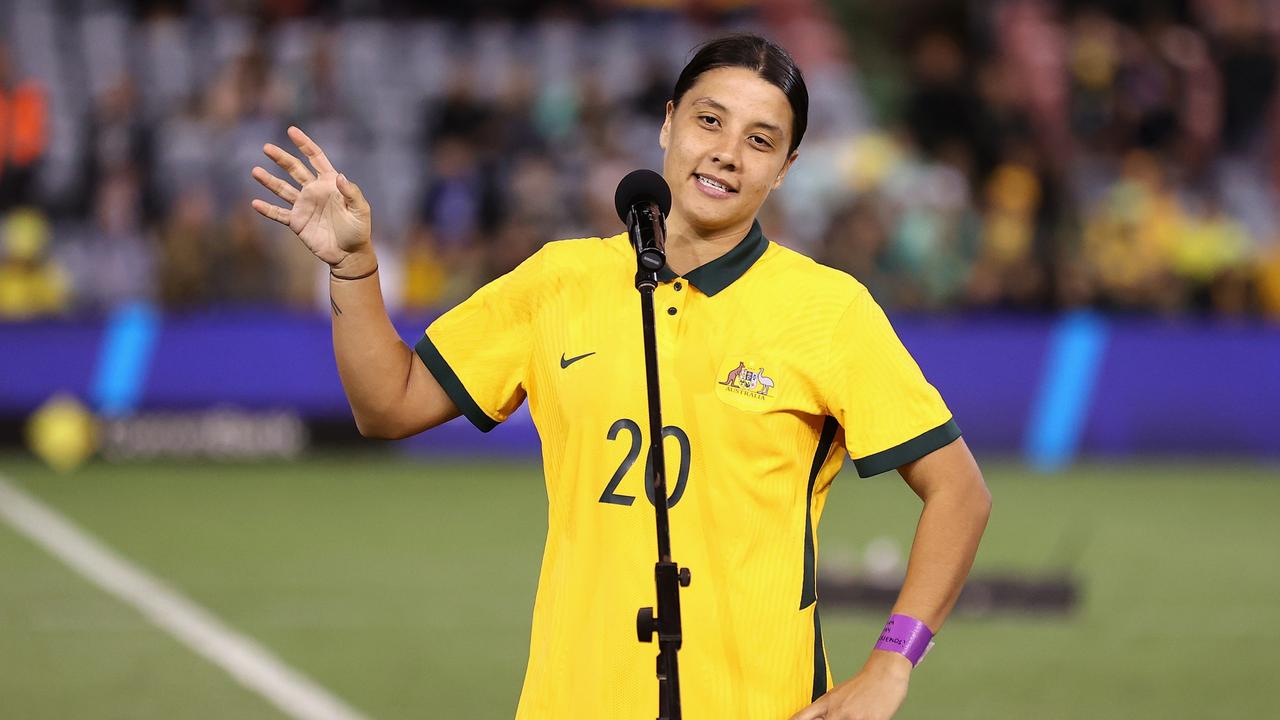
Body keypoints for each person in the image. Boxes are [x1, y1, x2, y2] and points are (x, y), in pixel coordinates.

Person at [251, 34, 991, 720]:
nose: (728, 153)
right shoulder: (559, 280)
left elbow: (958, 490)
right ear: (668, 123)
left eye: (760, 140)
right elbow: (390, 404)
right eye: (710, 120)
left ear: (786, 168)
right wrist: (352, 266)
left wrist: (893, 663)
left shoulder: (828, 310)